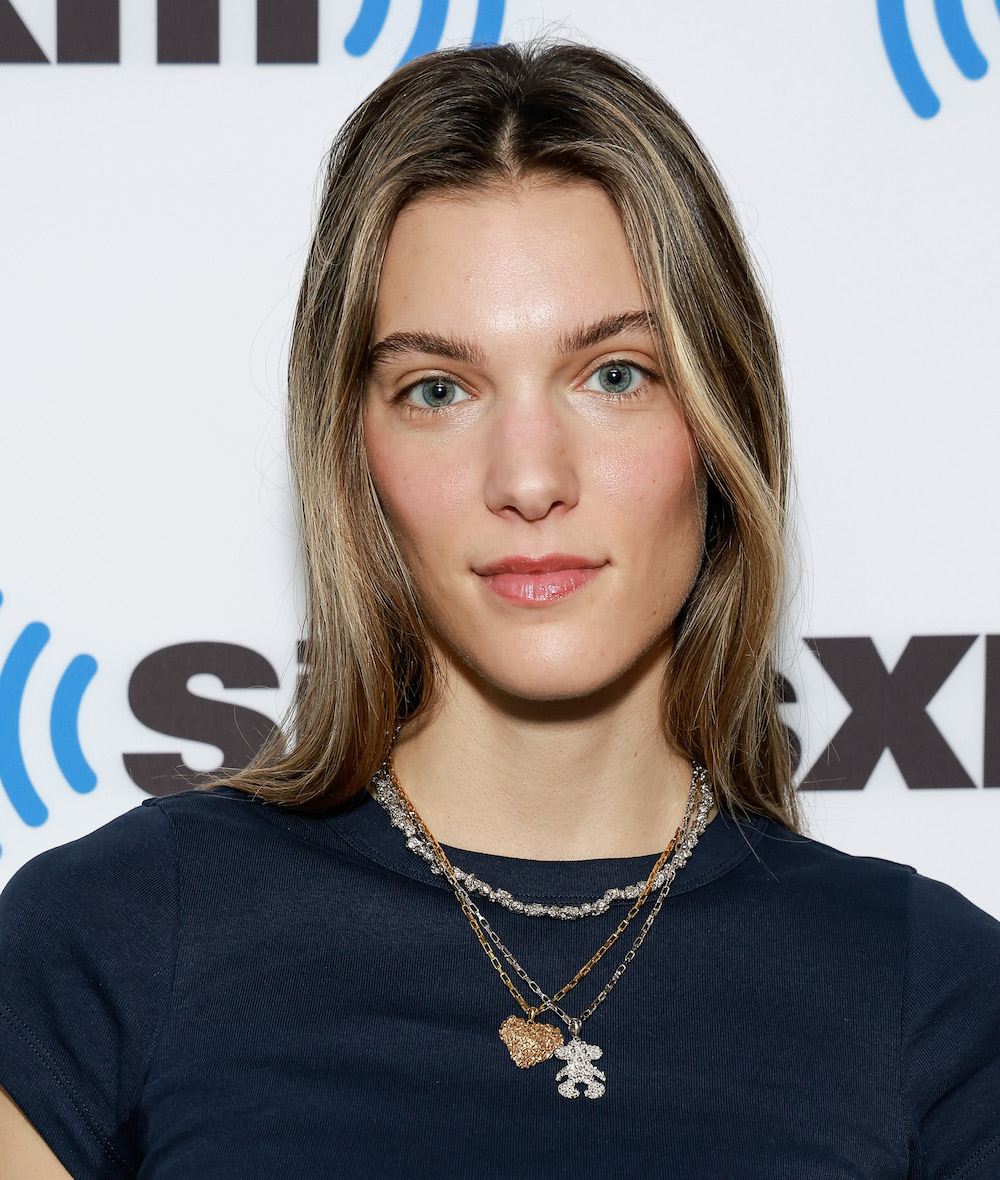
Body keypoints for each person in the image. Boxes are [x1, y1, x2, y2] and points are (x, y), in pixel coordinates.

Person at [1, 40, 998, 1179]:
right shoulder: (114, 936)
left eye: (614, 374)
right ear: (353, 453)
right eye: (438, 388)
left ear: (720, 420)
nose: (528, 477)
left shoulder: (928, 989)